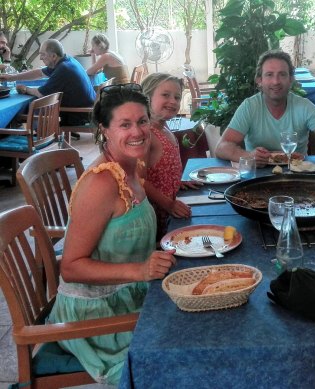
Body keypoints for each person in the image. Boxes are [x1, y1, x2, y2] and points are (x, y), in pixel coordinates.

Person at [47, 83, 176, 385]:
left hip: (130, 294)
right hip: (97, 316)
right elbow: (71, 266)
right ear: (104, 129)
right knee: (183, 352)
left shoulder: (131, 166)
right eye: (125, 124)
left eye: (143, 121)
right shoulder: (102, 183)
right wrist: (141, 270)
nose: (138, 132)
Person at [214, 50, 315, 166]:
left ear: (291, 80)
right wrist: (248, 156)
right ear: (259, 80)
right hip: (257, 175)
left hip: (297, 176)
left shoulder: (304, 106)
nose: (276, 81)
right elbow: (222, 147)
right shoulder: (250, 106)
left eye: (282, 75)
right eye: (269, 75)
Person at [141, 73, 194, 241]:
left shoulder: (165, 129)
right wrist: (169, 204)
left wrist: (177, 181)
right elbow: (138, 180)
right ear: (147, 98)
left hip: (169, 210)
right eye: (165, 95)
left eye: (177, 97)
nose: (173, 101)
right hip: (156, 217)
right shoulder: (146, 134)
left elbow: (161, 169)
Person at [0, 39, 95, 125]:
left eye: (43, 54)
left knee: (25, 112)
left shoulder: (63, 69)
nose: (40, 58)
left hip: (79, 115)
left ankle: (20, 137)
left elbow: (41, 94)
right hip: (87, 110)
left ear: (53, 56)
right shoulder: (66, 61)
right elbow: (39, 73)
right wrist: (12, 77)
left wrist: (25, 89)